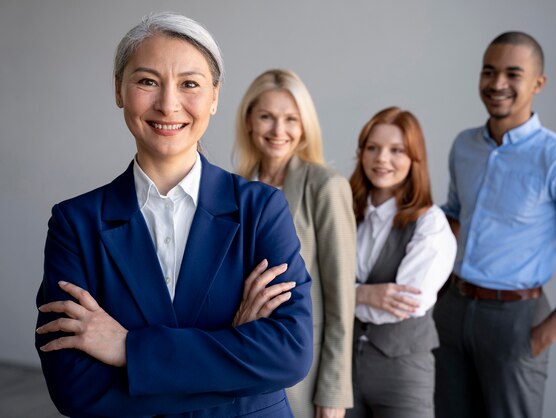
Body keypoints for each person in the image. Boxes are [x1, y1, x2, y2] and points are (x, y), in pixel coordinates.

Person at [34, 12, 313, 417]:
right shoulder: (75, 223)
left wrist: (128, 349)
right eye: (147, 81)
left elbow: (290, 354)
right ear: (119, 90)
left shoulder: (261, 209)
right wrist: (235, 352)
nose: (168, 104)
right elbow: (74, 389)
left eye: (190, 84)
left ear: (215, 97)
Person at [434, 31, 556, 418]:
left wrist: (542, 336)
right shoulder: (464, 146)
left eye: (512, 74)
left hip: (515, 321)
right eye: (489, 72)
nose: (497, 84)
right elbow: (453, 216)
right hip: (451, 309)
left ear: (538, 83)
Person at [233, 68, 356, 418]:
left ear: (304, 126)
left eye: (290, 119)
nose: (278, 130)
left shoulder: (325, 186)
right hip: (240, 361)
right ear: (248, 122)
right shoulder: (234, 189)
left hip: (303, 372)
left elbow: (341, 299)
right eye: (267, 117)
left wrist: (334, 391)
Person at [346, 107, 456, 418]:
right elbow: (314, 285)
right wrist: (363, 294)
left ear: (414, 159)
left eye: (397, 150)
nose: (382, 159)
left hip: (403, 372)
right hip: (343, 367)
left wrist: (340, 296)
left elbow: (406, 303)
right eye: (373, 148)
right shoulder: (344, 212)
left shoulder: (430, 223)